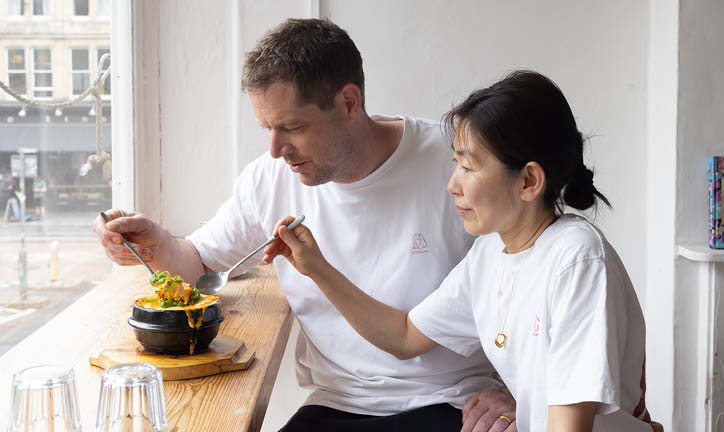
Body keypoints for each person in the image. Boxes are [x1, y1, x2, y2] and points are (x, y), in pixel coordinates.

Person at [93, 18, 515, 432]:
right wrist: (156, 244)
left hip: (456, 402)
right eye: (267, 128)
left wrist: (519, 392)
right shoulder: (269, 178)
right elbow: (200, 265)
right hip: (339, 404)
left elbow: (536, 268)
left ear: (348, 103)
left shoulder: (454, 162)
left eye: (292, 127)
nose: (276, 149)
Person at [266, 71, 664, 432]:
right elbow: (404, 337)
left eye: (469, 168)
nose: (452, 185)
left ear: (528, 180)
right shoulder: (491, 253)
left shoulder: (577, 260)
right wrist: (316, 268)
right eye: (455, 163)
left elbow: (569, 426)